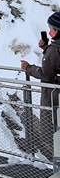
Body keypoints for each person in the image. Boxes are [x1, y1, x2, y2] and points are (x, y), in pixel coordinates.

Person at [21, 11, 60, 157]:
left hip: (53, 98)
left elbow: (47, 74)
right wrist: (46, 49)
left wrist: (28, 68)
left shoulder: (55, 50)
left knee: (50, 134)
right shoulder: (54, 49)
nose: (49, 32)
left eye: (51, 29)